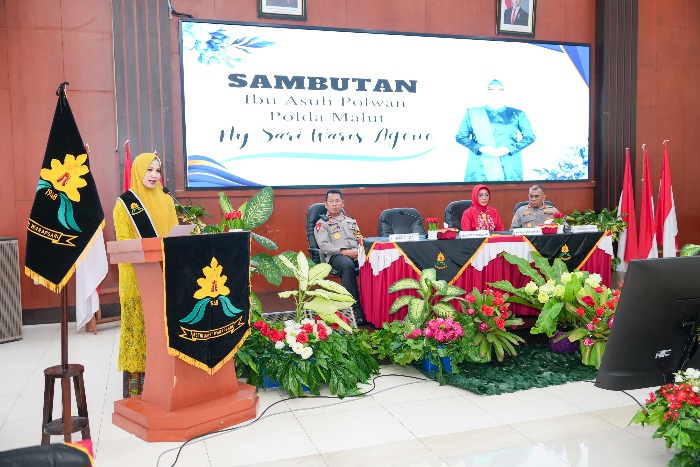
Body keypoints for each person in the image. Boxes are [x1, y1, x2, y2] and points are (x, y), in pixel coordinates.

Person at [113, 153, 178, 398]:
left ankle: (163, 384)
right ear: (138, 171)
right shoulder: (124, 204)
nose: (154, 175)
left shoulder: (167, 201)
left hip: (165, 276)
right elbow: (123, 245)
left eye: (157, 170)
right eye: (149, 170)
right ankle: (136, 390)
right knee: (139, 332)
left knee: (163, 332)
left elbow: (174, 238)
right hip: (136, 279)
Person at [455, 79, 536, 182]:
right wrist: (481, 148)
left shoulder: (518, 114)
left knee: (509, 191)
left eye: (500, 89)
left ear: (506, 91)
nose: (496, 93)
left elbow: (529, 137)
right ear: (486, 91)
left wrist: (509, 149)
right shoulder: (473, 113)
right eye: (491, 89)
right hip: (480, 164)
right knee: (480, 191)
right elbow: (461, 136)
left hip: (509, 163)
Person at [313, 189, 366, 325]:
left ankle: (373, 306)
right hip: (336, 256)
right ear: (326, 204)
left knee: (376, 262)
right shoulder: (322, 223)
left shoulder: (351, 221)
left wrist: (360, 251)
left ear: (343, 203)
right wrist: (346, 252)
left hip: (356, 253)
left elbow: (360, 238)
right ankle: (354, 308)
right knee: (347, 265)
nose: (334, 204)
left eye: (337, 201)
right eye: (331, 201)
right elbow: (324, 246)